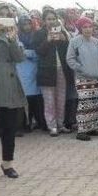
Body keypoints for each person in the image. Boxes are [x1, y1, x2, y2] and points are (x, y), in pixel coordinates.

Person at [0, 13, 26, 182]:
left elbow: (19, 58)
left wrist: (12, 40)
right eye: (0, 16)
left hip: (10, 89)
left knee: (9, 129)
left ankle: (7, 164)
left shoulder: (12, 35)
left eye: (7, 16)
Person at [32, 9, 73, 137]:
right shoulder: (39, 33)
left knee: (61, 99)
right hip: (46, 71)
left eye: (53, 19)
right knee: (49, 101)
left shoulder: (63, 31)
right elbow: (39, 52)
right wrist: (47, 40)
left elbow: (69, 50)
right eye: (49, 19)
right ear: (44, 21)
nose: (51, 21)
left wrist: (64, 39)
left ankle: (60, 125)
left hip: (62, 70)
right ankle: (52, 126)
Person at [66, 17, 98, 141]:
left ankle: (92, 127)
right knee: (84, 103)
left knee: (94, 103)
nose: (88, 29)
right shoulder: (75, 41)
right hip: (82, 78)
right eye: (85, 27)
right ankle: (82, 130)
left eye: (90, 27)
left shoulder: (96, 42)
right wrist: (80, 69)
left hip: (96, 78)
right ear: (80, 28)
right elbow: (70, 59)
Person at [16, 15, 46, 131]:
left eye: (29, 24)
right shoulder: (16, 37)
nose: (27, 26)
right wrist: (27, 53)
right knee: (24, 99)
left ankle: (40, 122)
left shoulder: (36, 35)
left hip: (35, 69)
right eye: (24, 24)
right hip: (21, 71)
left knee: (37, 99)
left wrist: (27, 53)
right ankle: (24, 124)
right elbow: (17, 54)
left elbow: (39, 53)